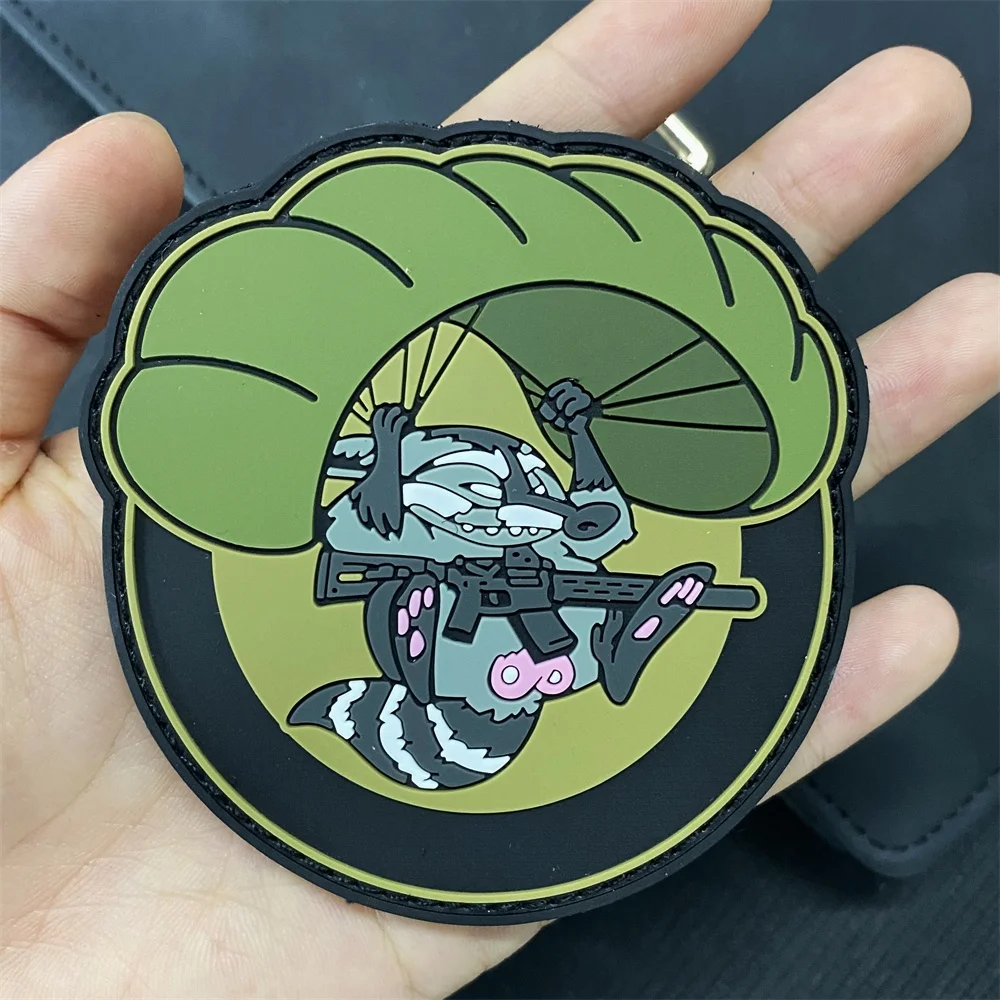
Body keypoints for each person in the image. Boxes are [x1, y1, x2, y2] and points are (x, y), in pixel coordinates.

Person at [1, 1, 996, 995]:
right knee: (486, 640)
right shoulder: (373, 478)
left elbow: (594, 518)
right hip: (441, 628)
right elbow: (359, 532)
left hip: (530, 574)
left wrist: (579, 436)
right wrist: (388, 460)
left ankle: (607, 648)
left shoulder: (498, 463)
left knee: (568, 572)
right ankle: (576, 660)